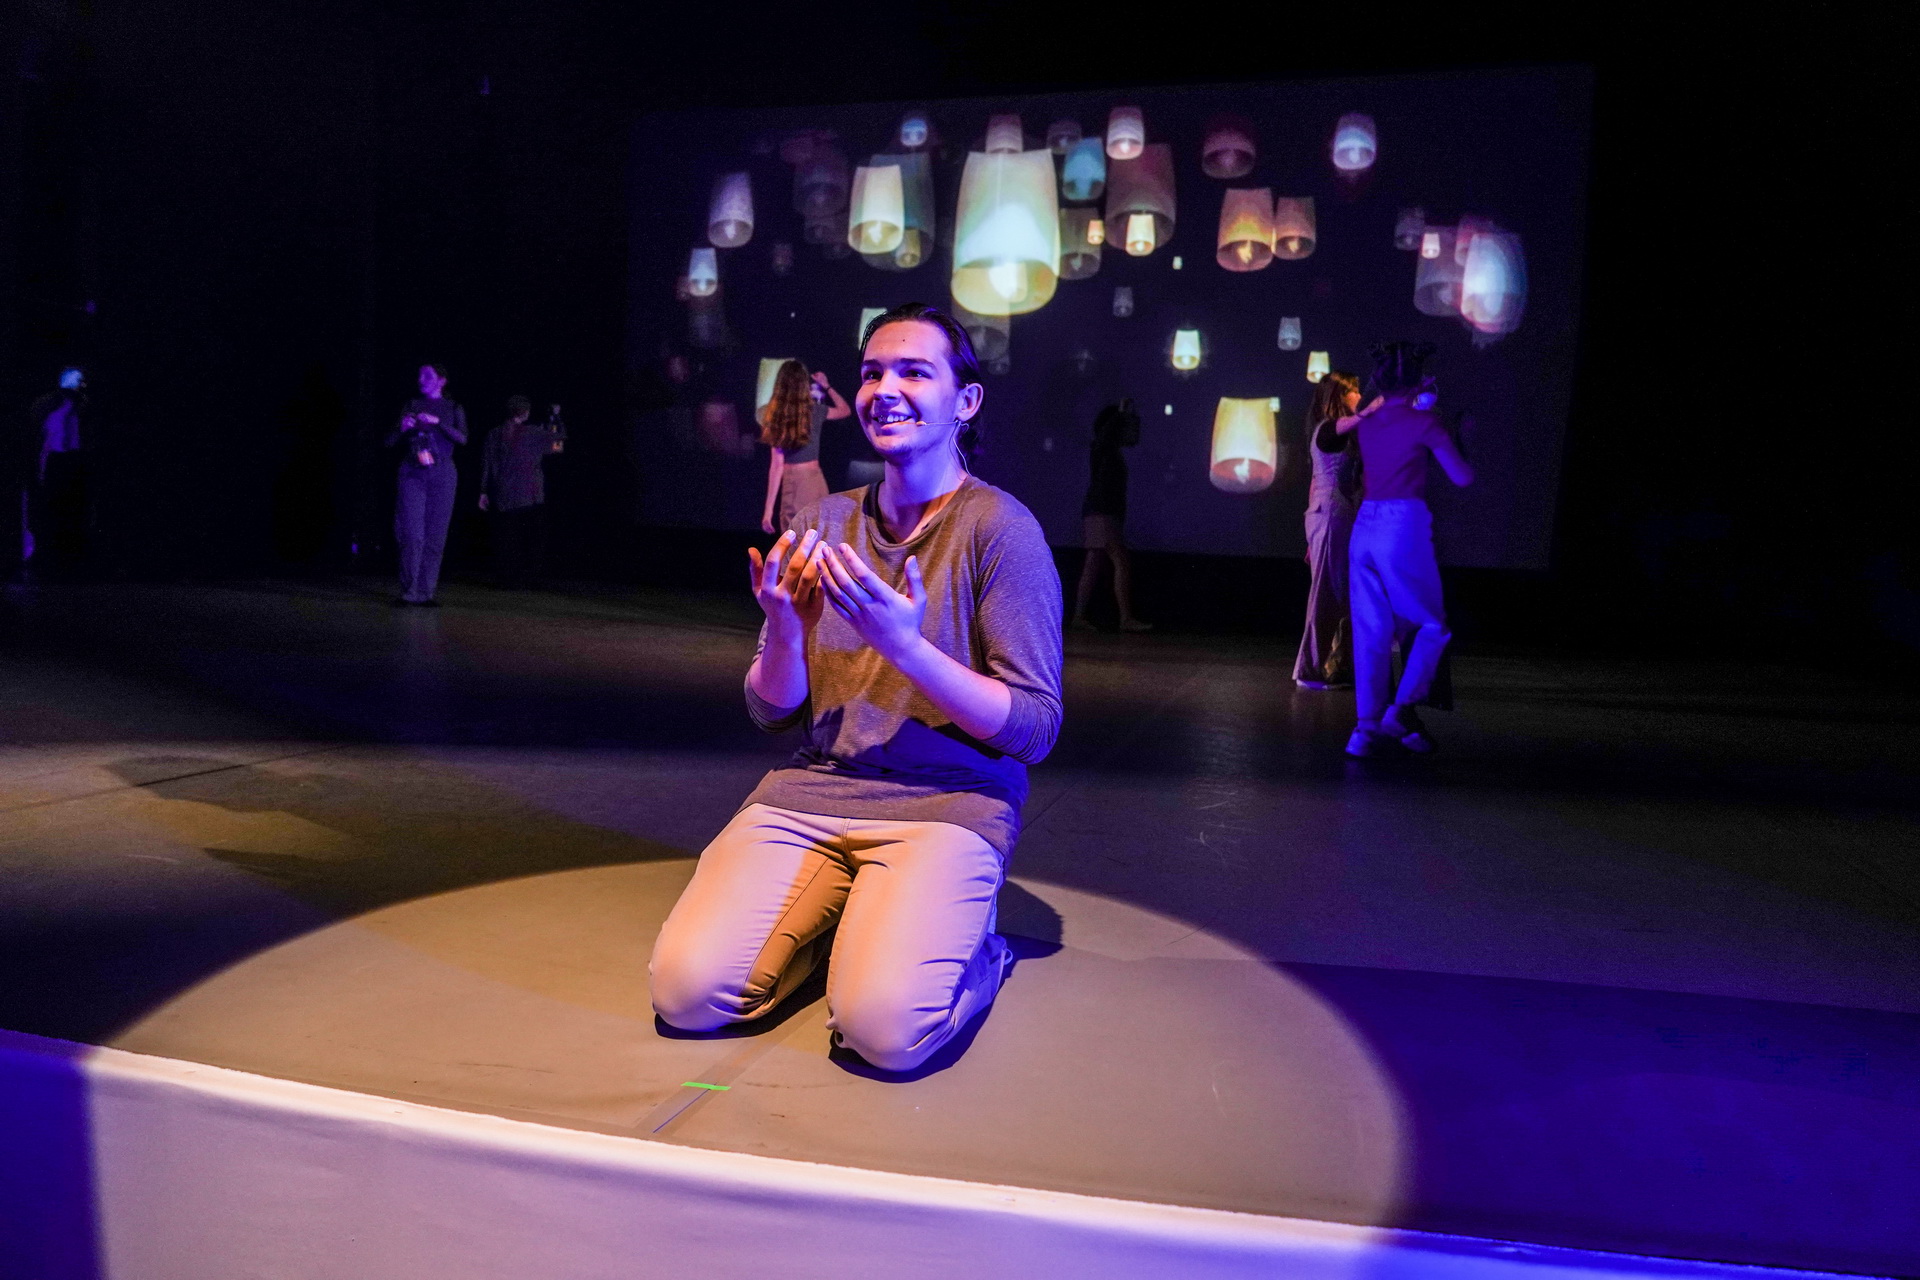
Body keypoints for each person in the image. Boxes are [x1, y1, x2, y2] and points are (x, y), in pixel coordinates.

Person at [650, 302, 1063, 1073]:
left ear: (965, 401)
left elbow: (1035, 728)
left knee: (884, 1033)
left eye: (914, 371)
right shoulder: (823, 520)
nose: (884, 390)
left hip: (947, 803)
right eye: (873, 373)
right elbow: (772, 712)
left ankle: (980, 954)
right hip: (814, 794)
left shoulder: (1001, 531)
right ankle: (845, 935)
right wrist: (784, 630)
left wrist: (907, 648)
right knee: (686, 995)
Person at [1338, 342, 1474, 756]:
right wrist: (1461, 437)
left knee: (1371, 632)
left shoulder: (1368, 424)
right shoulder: (1425, 422)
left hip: (1364, 526)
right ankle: (1400, 710)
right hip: (1402, 525)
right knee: (1432, 626)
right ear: (1419, 381)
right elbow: (1462, 477)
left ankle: (1364, 731)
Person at [1293, 370, 1363, 688]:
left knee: (1343, 593)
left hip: (1333, 517)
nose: (1359, 396)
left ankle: (1337, 666)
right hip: (1331, 516)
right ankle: (1308, 669)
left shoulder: (1343, 434)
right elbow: (1356, 419)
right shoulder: (1328, 428)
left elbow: (1313, 483)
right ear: (1340, 396)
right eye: (1354, 391)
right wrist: (1379, 404)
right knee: (1326, 595)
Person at [384, 363, 468, 606]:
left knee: (435, 536)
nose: (421, 379)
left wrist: (438, 422)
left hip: (442, 473)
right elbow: (389, 441)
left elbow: (463, 438)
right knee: (411, 534)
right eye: (420, 375)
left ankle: (426, 593)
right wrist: (402, 428)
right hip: (413, 473)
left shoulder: (453, 407)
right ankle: (409, 591)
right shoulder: (411, 404)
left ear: (441, 380)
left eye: (427, 375)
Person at [1070, 397, 1151, 632]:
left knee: (1093, 563)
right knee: (1120, 560)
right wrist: (1121, 414)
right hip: (1102, 512)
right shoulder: (1103, 447)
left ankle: (1079, 616)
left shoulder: (1107, 450)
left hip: (1099, 511)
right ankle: (1125, 618)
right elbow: (1107, 434)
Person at [479, 395, 565, 588]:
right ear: (525, 413)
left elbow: (487, 464)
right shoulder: (532, 433)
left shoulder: (494, 434)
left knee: (507, 539)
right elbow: (557, 445)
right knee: (529, 539)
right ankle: (526, 578)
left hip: (503, 494)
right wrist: (555, 419)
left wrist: (483, 491)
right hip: (529, 495)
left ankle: (507, 578)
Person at [759, 361, 851, 535]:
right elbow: (844, 410)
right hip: (815, 479)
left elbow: (776, 465)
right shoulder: (814, 410)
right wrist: (826, 385)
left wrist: (768, 510)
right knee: (819, 537)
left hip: (796, 482)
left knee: (798, 540)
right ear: (804, 384)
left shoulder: (777, 415)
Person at [23, 368, 92, 577]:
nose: (82, 384)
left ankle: (68, 557)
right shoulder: (50, 404)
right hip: (56, 461)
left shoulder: (80, 406)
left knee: (71, 509)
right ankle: (52, 557)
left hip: (70, 461)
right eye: (79, 380)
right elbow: (43, 437)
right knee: (53, 509)